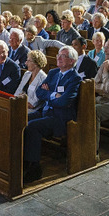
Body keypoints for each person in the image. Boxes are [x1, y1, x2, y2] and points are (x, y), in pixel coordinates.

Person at [23, 47, 82, 182]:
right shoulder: (53, 72)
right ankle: (21, 159)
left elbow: (65, 102)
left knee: (32, 127)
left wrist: (49, 96)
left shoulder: (74, 78)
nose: (58, 58)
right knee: (20, 119)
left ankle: (34, 167)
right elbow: (39, 92)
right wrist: (54, 95)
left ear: (72, 61)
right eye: (58, 55)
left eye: (63, 56)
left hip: (60, 118)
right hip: (46, 112)